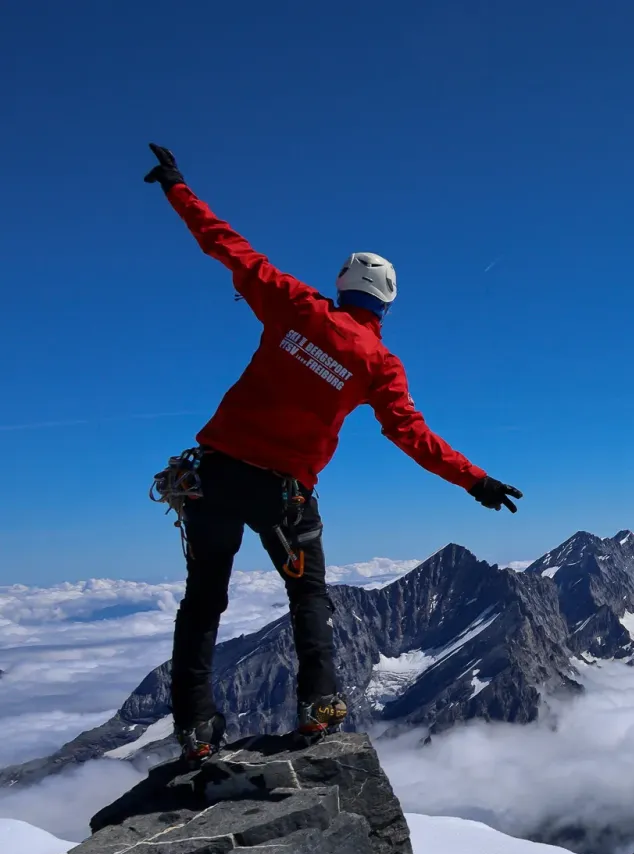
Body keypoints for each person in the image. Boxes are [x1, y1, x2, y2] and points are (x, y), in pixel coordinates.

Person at [143, 144, 522, 760]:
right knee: (308, 598)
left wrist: (177, 189)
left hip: (213, 477)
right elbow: (411, 435)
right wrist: (475, 481)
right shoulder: (378, 364)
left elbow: (228, 246)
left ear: (342, 286)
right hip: (284, 493)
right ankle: (319, 706)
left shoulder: (294, 304)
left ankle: (196, 730)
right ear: (388, 304)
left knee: (205, 598)